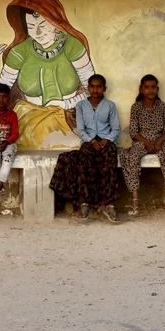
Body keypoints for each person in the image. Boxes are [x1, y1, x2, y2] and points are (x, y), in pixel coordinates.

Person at [0, 0, 95, 148]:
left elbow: (92, 92)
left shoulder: (73, 46)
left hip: (69, 120)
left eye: (43, 25)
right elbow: (1, 95)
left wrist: (66, 104)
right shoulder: (19, 52)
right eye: (32, 27)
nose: (38, 33)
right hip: (29, 121)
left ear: (55, 21)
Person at [49, 74, 121, 223]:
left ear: (104, 88)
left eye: (99, 86)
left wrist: (106, 140)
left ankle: (109, 204)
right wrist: (91, 141)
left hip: (106, 142)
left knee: (109, 161)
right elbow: (81, 129)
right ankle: (85, 203)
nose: (95, 90)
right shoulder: (81, 106)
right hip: (88, 142)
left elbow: (116, 128)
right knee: (84, 162)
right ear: (88, 88)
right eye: (92, 86)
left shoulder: (110, 106)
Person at [121, 74, 165, 216]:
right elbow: (133, 132)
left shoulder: (163, 107)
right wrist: (146, 143)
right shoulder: (136, 107)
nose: (150, 90)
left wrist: (158, 142)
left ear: (157, 89)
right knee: (131, 156)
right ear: (141, 89)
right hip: (141, 142)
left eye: (153, 87)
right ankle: (135, 199)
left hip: (160, 141)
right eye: (146, 87)